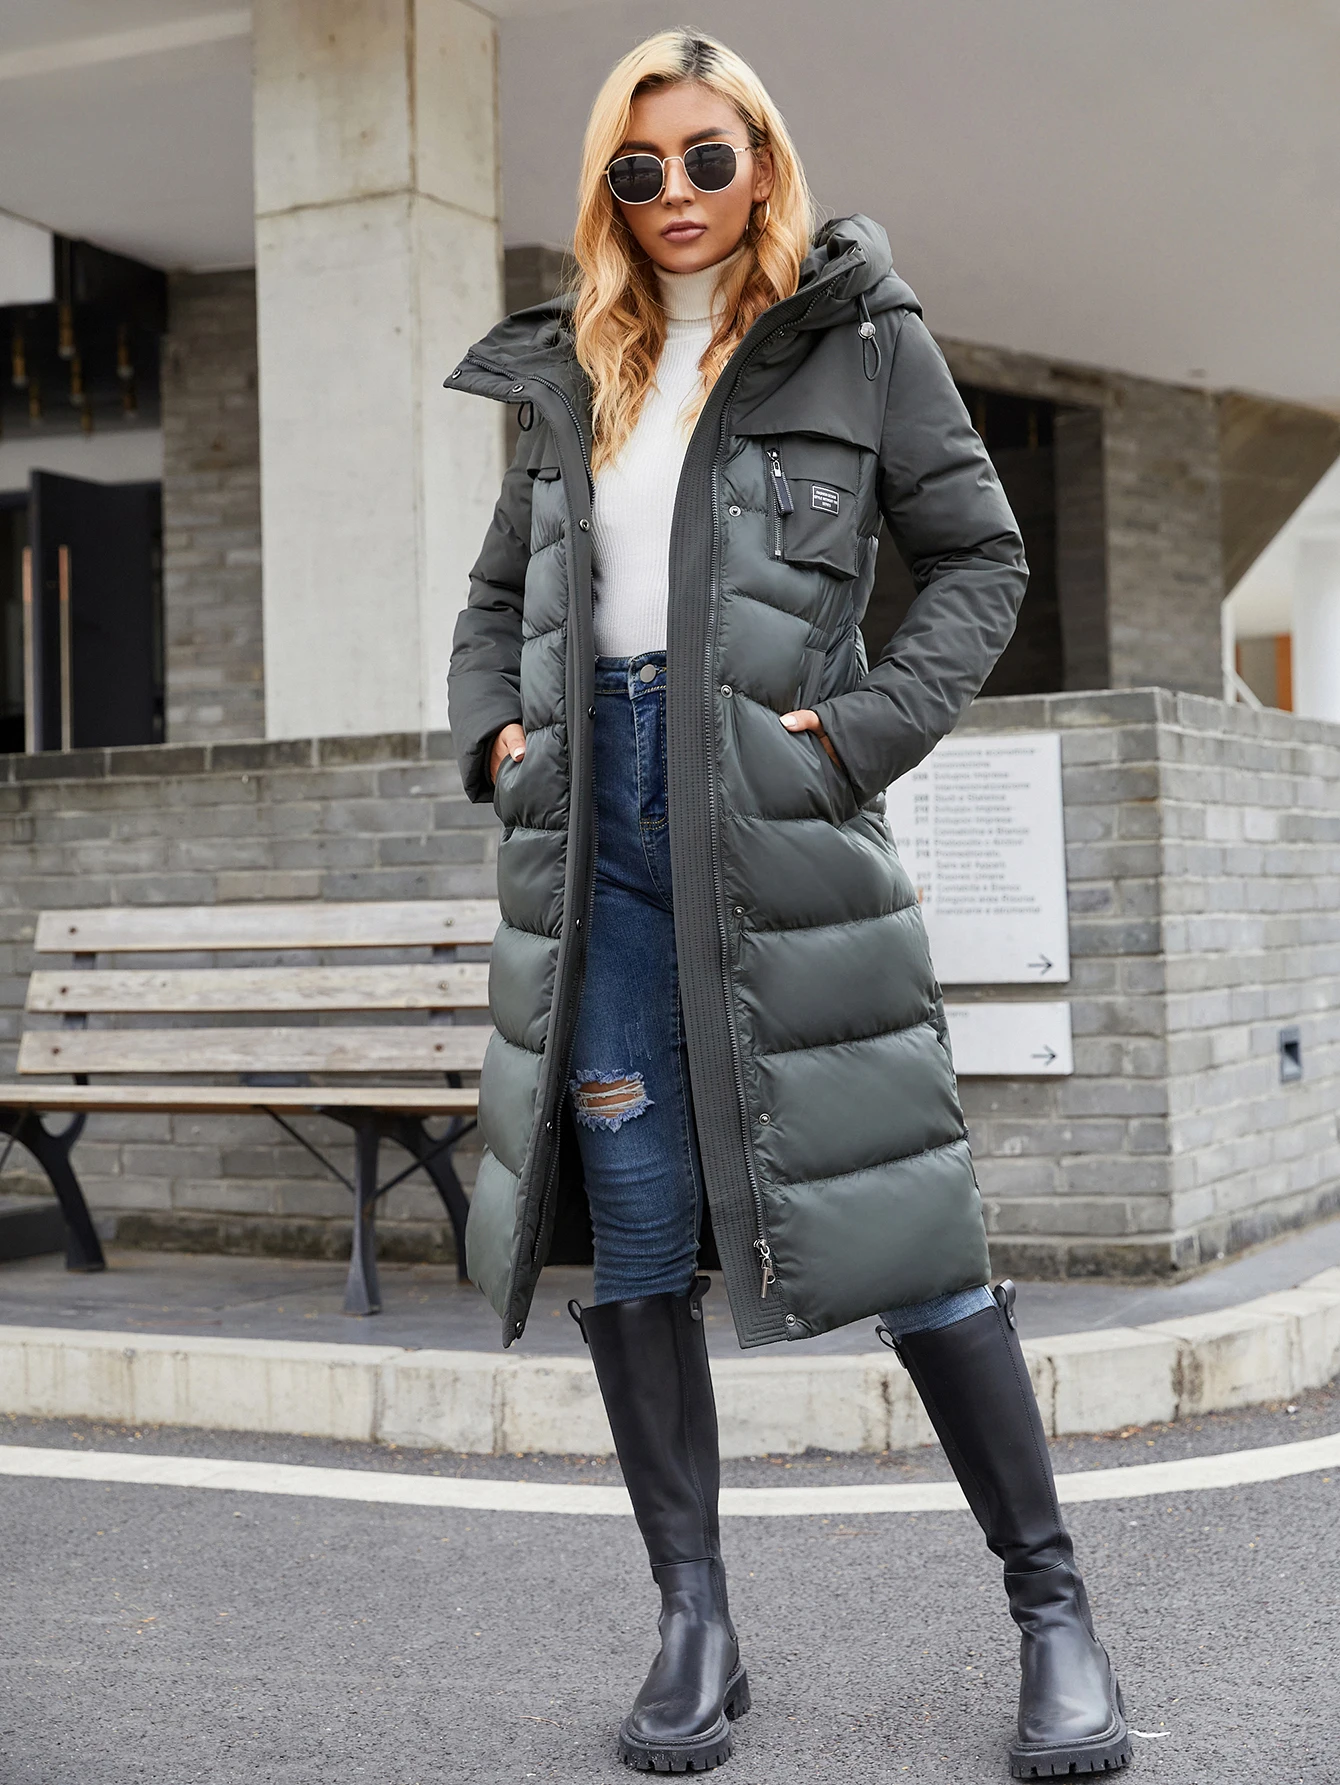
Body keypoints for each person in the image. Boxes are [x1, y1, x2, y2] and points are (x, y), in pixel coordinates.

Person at [447, 27, 1129, 1779]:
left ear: (761, 158)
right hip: (593, 848)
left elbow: (980, 556)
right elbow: (497, 601)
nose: (676, 192)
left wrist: (867, 734)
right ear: (607, 191)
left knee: (908, 1229)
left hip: (783, 824)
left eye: (706, 155)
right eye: (637, 168)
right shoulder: (573, 369)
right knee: (639, 1233)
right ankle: (696, 1621)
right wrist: (502, 739)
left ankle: (1053, 1613)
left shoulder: (862, 338)